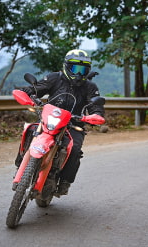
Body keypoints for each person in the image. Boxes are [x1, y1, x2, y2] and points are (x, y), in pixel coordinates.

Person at [18, 49, 104, 197]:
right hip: (49, 120)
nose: (78, 74)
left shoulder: (90, 87)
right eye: (75, 69)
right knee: (31, 131)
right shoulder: (54, 78)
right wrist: (29, 91)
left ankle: (65, 181)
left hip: (73, 124)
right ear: (66, 66)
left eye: (83, 70)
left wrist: (96, 115)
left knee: (75, 148)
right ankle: (20, 165)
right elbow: (37, 89)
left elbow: (96, 106)